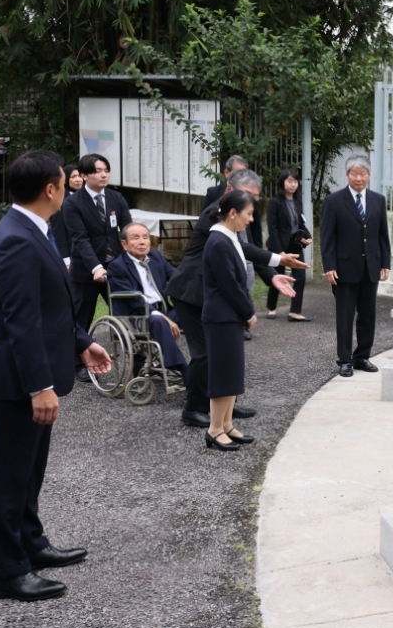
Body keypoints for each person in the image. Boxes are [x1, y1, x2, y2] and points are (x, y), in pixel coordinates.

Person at [0, 150, 112, 601]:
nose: (67, 185)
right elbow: (21, 322)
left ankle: (31, 546)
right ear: (51, 189)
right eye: (63, 179)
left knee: (30, 470)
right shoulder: (16, 239)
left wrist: (80, 341)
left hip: (29, 377)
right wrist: (41, 387)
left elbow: (49, 309)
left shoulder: (34, 230)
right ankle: (9, 571)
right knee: (10, 476)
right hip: (13, 381)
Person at [165, 170, 305, 429]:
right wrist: (275, 262)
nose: (251, 204)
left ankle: (224, 405)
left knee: (224, 354)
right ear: (230, 191)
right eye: (248, 197)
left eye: (255, 198)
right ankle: (194, 409)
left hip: (212, 295)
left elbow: (245, 251)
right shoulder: (216, 217)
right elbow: (240, 251)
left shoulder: (238, 216)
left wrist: (273, 274)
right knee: (205, 353)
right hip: (191, 293)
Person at [321, 154, 390, 377]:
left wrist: (385, 262)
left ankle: (362, 356)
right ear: (347, 175)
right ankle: (344, 360)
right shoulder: (333, 201)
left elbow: (382, 235)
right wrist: (329, 266)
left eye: (363, 174)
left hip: (371, 266)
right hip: (344, 268)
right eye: (354, 173)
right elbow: (327, 237)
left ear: (369, 175)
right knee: (345, 316)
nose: (358, 178)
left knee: (368, 315)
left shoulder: (378, 200)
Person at [201, 189, 259, 451]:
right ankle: (214, 429)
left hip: (228, 316)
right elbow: (230, 285)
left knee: (232, 372)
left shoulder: (229, 237)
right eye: (248, 214)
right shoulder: (218, 241)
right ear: (233, 213)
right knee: (224, 374)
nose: (251, 219)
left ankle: (226, 424)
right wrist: (248, 312)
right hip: (221, 317)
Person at [60, 153, 132, 341]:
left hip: (115, 267)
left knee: (128, 314)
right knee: (80, 320)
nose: (104, 175)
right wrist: (96, 267)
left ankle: (137, 361)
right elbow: (80, 238)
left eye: (106, 171)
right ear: (84, 175)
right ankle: (76, 365)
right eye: (98, 171)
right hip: (86, 270)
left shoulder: (116, 198)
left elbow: (128, 230)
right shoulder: (72, 203)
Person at [105, 223, 188, 378]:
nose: (142, 242)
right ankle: (183, 369)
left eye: (145, 237)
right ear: (124, 244)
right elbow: (134, 301)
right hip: (134, 318)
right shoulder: (117, 267)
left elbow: (177, 277)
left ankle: (205, 363)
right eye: (136, 238)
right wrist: (161, 316)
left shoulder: (156, 257)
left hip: (162, 313)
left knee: (195, 310)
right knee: (157, 320)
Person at [265, 168, 312, 321]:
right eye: (289, 181)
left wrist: (306, 237)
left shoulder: (298, 201)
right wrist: (279, 252)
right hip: (278, 246)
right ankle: (271, 307)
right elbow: (272, 228)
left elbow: (300, 223)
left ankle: (295, 311)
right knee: (277, 275)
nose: (293, 185)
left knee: (300, 276)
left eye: (295, 181)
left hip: (295, 244)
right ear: (282, 182)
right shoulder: (275, 203)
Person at [49, 163, 84, 268]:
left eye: (79, 176)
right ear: (66, 179)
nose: (78, 180)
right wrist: (65, 259)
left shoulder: (85, 196)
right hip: (70, 253)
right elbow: (58, 230)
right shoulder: (61, 200)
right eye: (73, 177)